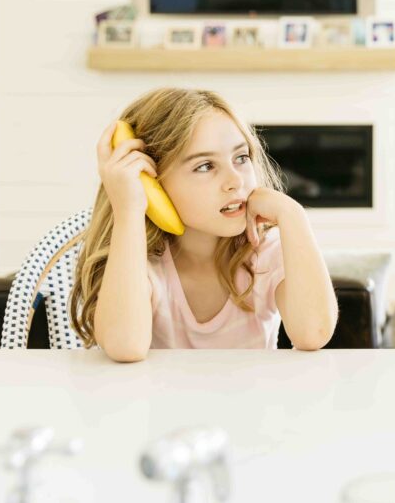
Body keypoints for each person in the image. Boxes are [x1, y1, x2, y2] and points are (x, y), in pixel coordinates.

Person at [69, 87, 338, 361]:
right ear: (151, 182)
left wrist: (293, 214)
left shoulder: (265, 252)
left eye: (241, 158)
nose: (235, 180)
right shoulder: (142, 264)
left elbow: (313, 333)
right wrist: (129, 209)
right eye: (205, 166)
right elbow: (124, 346)